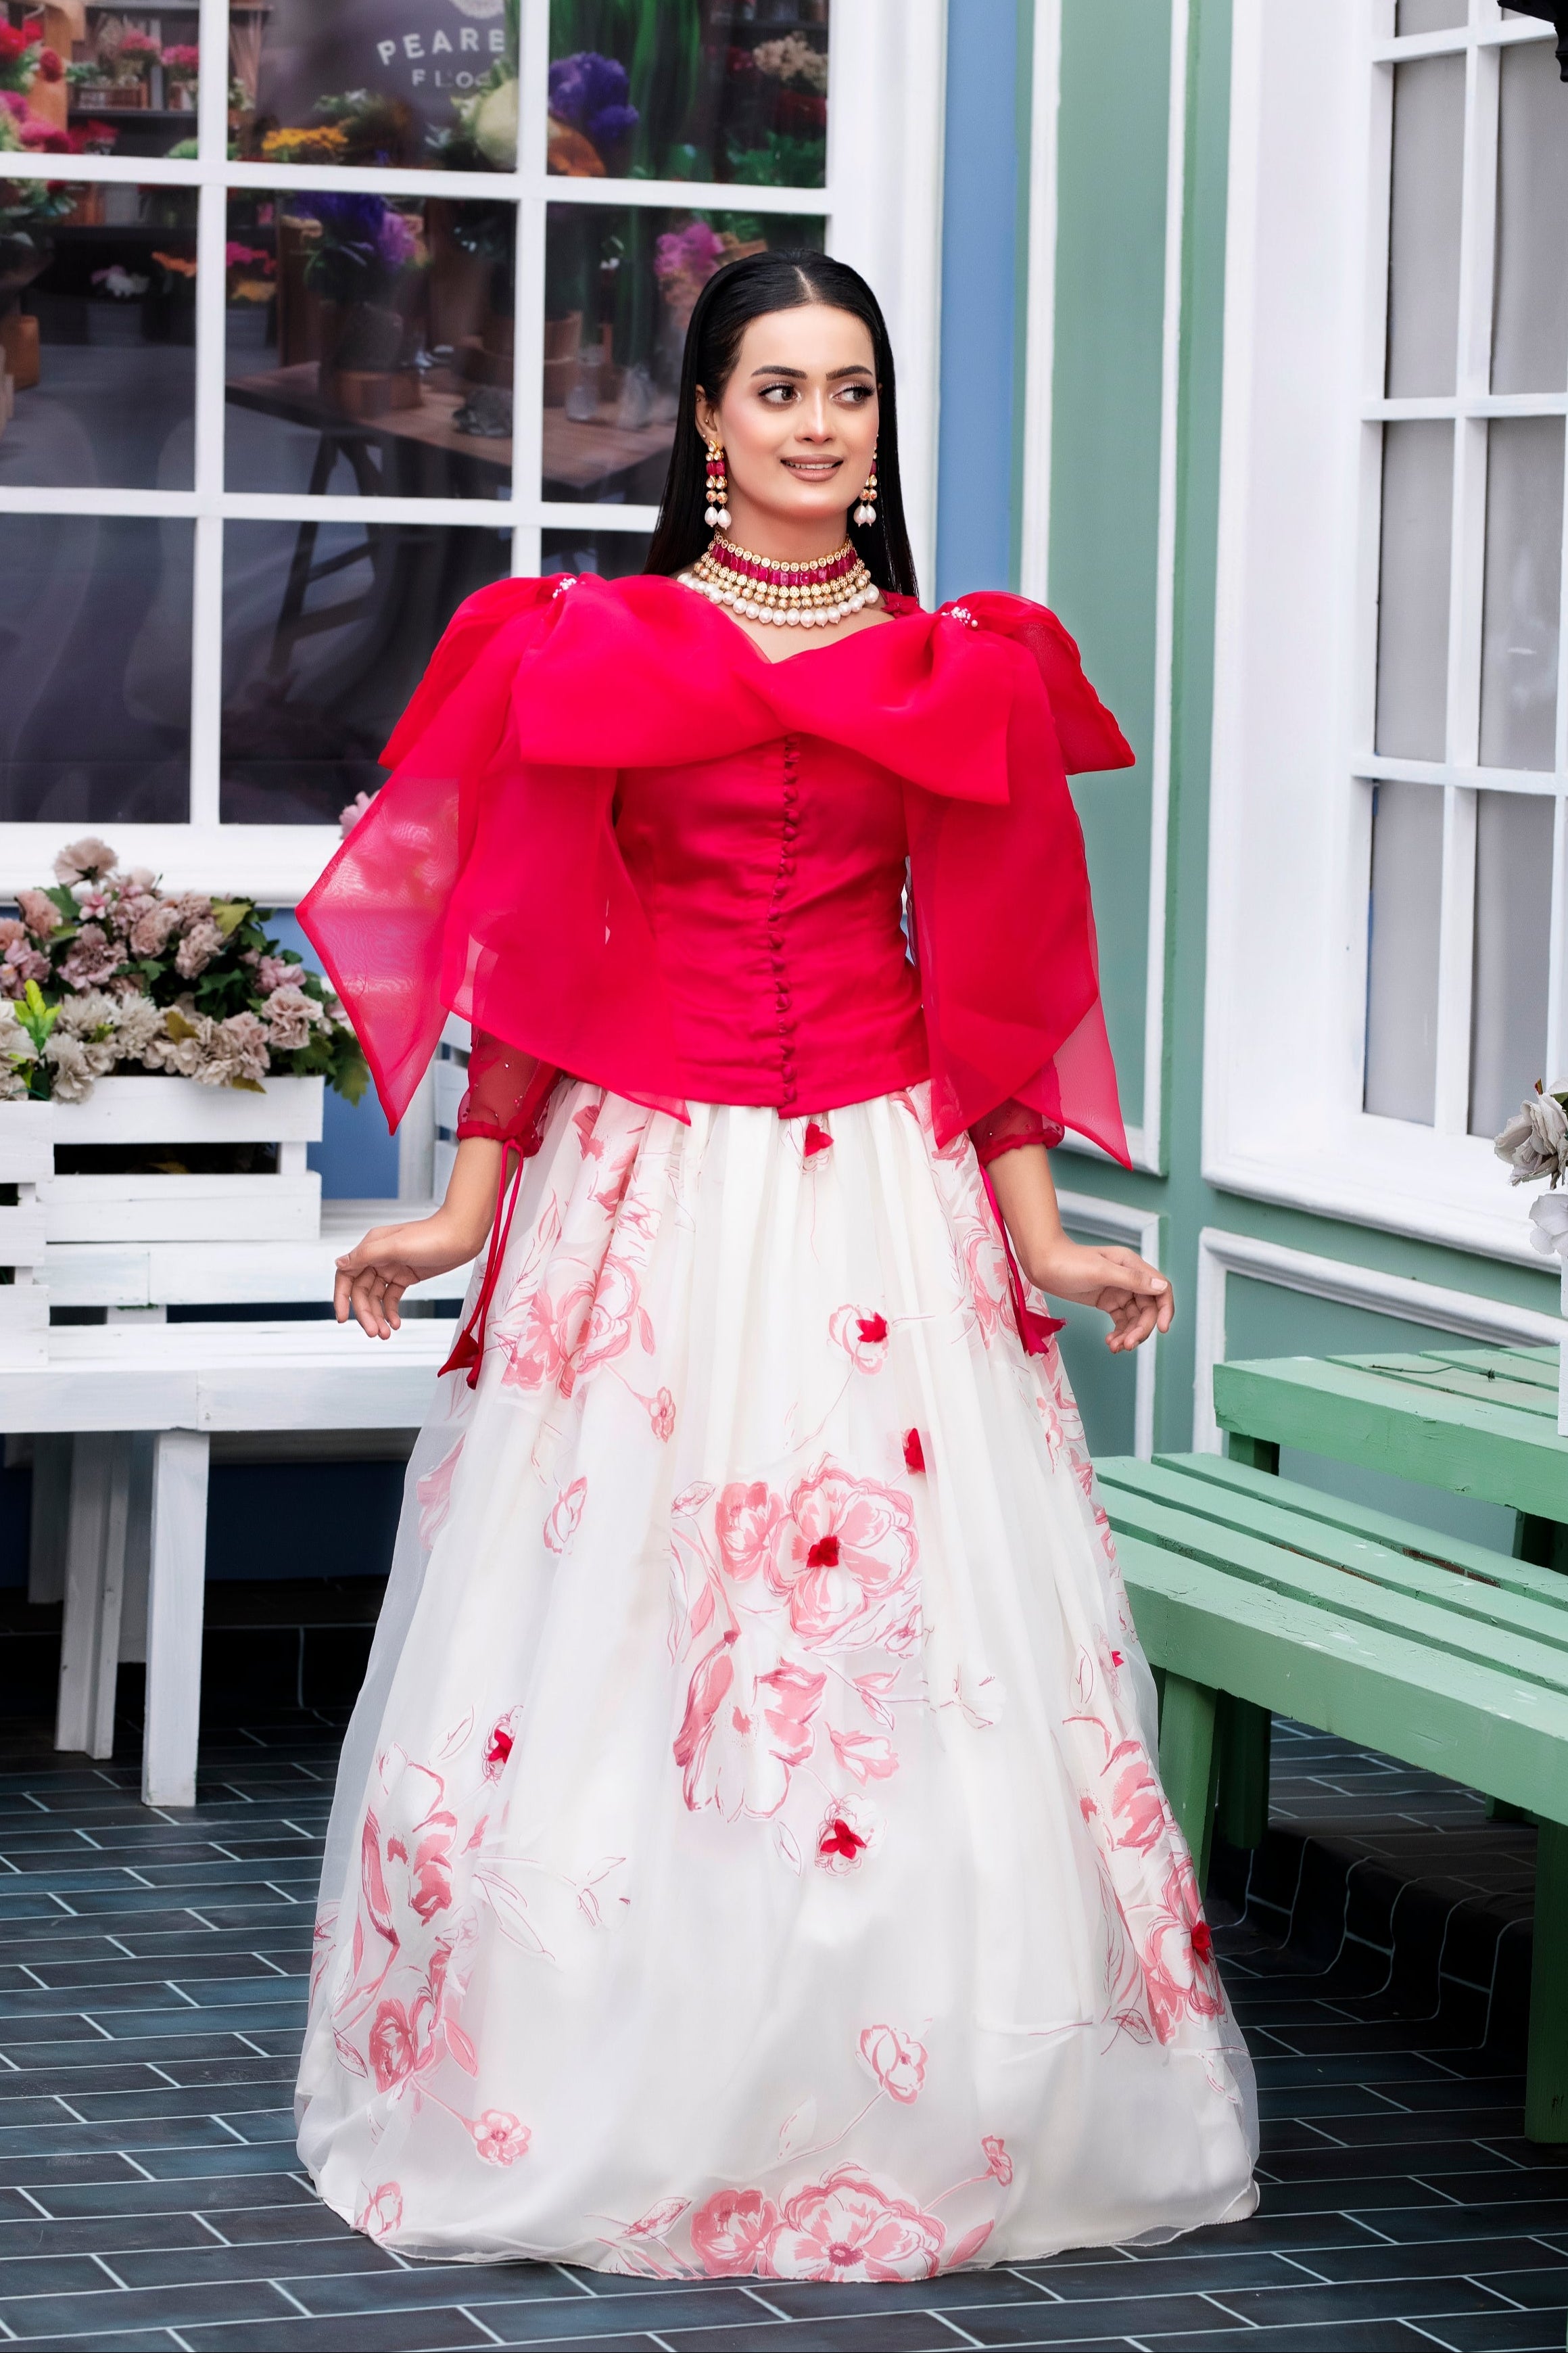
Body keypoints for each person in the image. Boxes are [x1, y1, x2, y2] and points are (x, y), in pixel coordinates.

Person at [293, 248, 1258, 2277]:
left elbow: (987, 990)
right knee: (642, 1626)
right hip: (651, 1185)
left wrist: (1049, 1233)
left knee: (897, 1667)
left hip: (880, 1198)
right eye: (782, 391)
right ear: (710, 425)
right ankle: (615, 2075)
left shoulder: (960, 661)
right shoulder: (592, 644)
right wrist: (468, 1205)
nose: (824, 426)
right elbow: (545, 949)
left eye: (854, 393)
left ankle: (919, 2096)